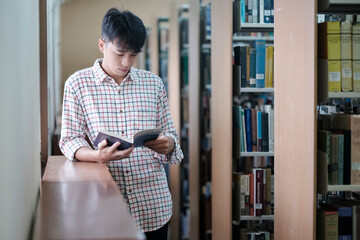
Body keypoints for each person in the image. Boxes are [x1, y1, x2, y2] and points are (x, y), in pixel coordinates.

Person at [59, 8, 183, 240]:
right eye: (120, 53)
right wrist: (97, 156)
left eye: (134, 54)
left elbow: (172, 137)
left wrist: (170, 145)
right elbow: (69, 140)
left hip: (153, 205)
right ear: (101, 45)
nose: (126, 62)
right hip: (104, 204)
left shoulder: (154, 84)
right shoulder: (77, 84)